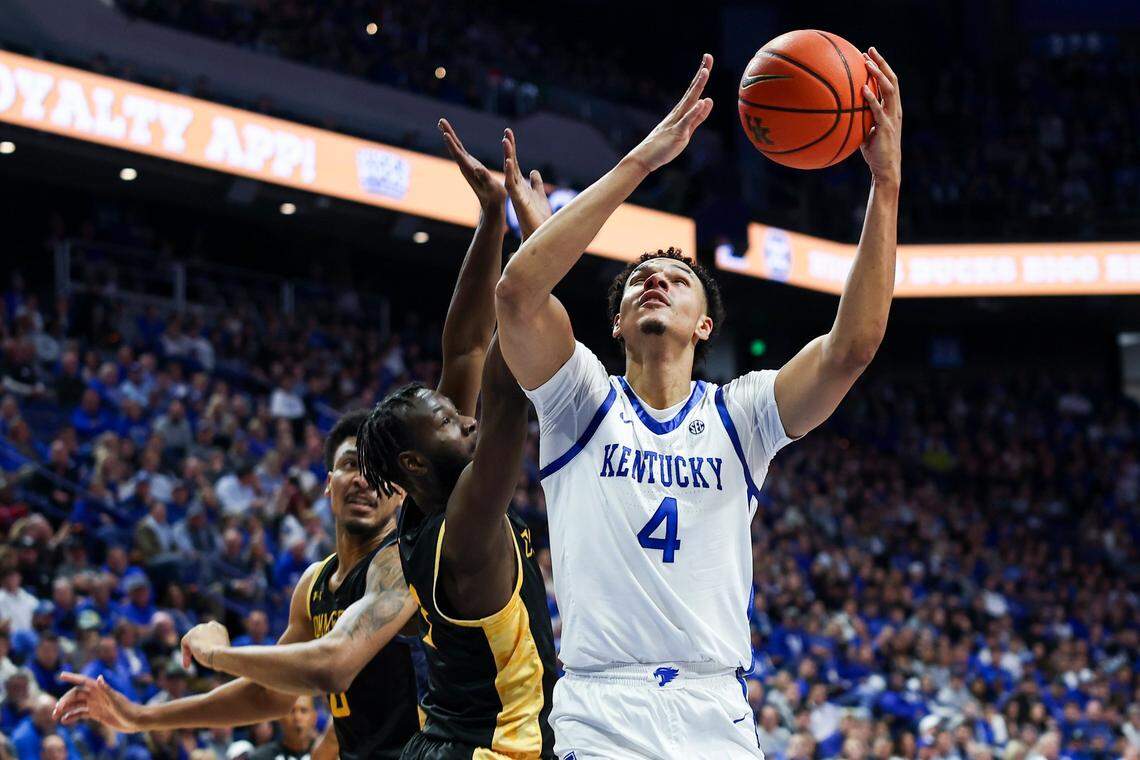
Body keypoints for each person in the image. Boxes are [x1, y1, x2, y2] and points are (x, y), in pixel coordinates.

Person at [56, 121, 526, 760]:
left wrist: (216, 650)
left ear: (407, 486)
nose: (365, 480)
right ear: (326, 481)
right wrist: (143, 716)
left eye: (382, 473)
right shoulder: (317, 583)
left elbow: (465, 354)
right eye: (350, 466)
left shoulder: (414, 553)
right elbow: (272, 696)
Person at [494, 50, 902, 758]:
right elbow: (517, 297)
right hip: (603, 707)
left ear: (705, 324)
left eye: (675, 279)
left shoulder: (741, 416)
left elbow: (851, 349)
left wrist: (886, 184)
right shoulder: (578, 399)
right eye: (638, 280)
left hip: (716, 709)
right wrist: (643, 162)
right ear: (615, 321)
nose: (655, 282)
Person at [355, 119, 558, 760]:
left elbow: (467, 346)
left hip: (443, 739)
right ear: (414, 460)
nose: (463, 418)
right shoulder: (467, 522)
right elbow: (504, 381)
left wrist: (492, 216)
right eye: (447, 421)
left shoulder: (423, 509)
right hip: (497, 750)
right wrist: (540, 235)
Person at [249, 696, 318, 760]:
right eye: (291, 711)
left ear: (314, 718)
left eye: (303, 711)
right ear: (279, 718)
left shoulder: (325, 753)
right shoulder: (260, 757)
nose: (297, 717)